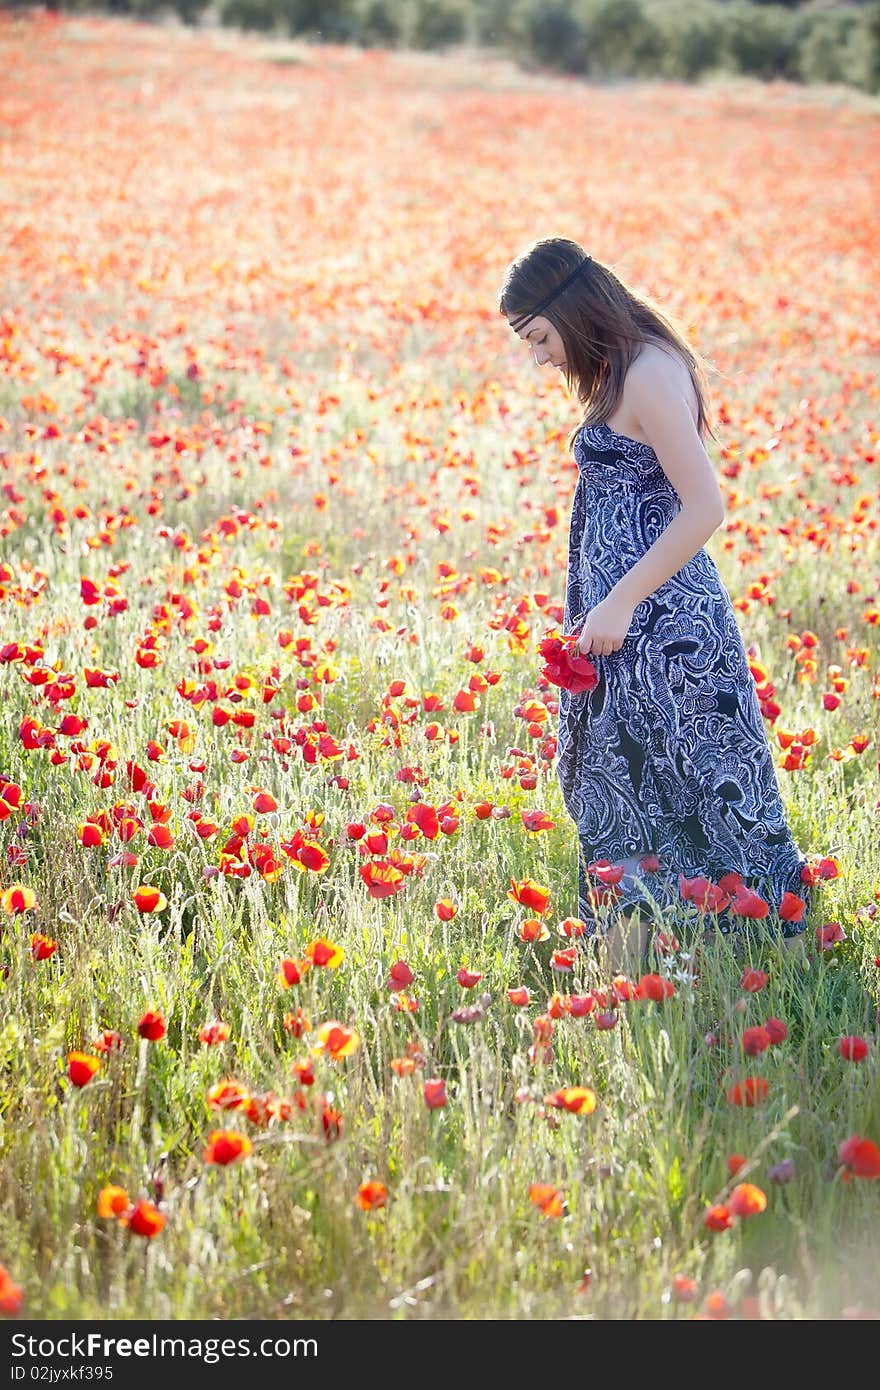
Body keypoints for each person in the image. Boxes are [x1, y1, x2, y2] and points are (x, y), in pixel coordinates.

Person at [499, 237, 814, 972]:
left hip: (664, 626)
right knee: (628, 777)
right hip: (626, 625)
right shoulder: (626, 368)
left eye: (540, 338)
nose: (539, 358)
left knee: (711, 780)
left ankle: (779, 955)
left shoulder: (645, 372)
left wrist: (618, 604)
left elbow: (706, 505)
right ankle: (640, 958)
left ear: (571, 311)